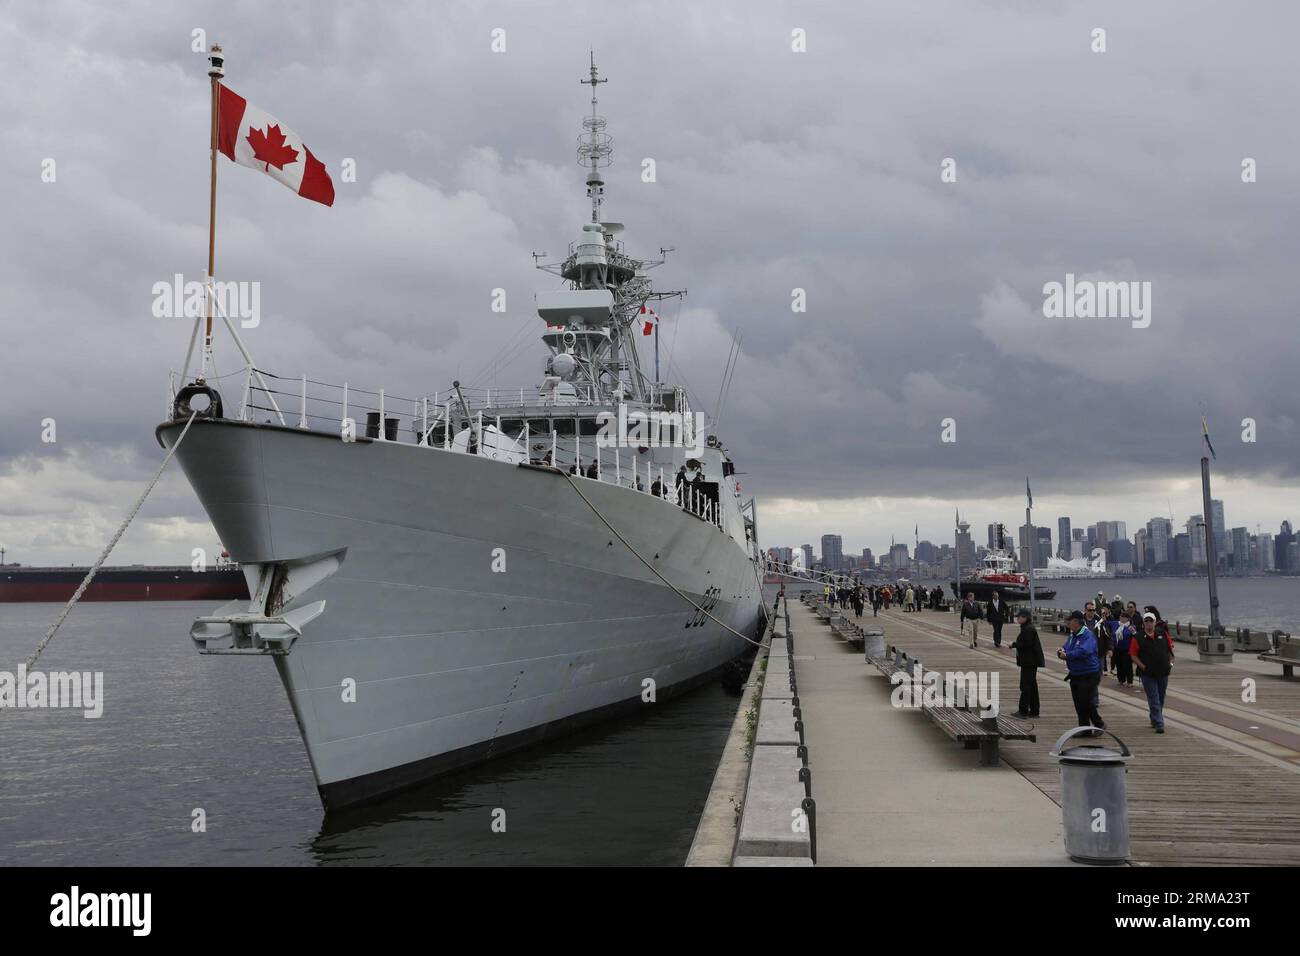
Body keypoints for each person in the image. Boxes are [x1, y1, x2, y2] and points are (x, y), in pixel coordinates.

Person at [1058, 610, 1104, 734]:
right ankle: (1084, 728)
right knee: (1078, 702)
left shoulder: (1087, 635)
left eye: (1070, 621)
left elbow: (1084, 651)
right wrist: (1061, 650)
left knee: (1086, 701)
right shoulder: (1073, 634)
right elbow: (1067, 646)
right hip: (1075, 674)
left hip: (1089, 673)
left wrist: (1067, 655)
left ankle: (1099, 723)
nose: (1068, 623)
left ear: (1076, 622)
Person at [1130, 611, 1174, 733]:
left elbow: (1170, 651)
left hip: (1163, 671)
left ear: (1155, 622)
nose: (1148, 623)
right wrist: (1143, 667)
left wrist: (1170, 664)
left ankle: (1154, 718)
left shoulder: (1163, 634)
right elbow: (1133, 655)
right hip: (1147, 674)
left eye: (1151, 621)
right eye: (1146, 621)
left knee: (1161, 697)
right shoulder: (1137, 637)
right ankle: (1160, 723)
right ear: (1143, 623)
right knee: (1153, 697)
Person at [1010, 607, 1044, 717]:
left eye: (1019, 617)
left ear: (1025, 618)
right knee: (1032, 685)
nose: (1017, 619)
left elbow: (1027, 644)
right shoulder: (1026, 628)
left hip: (1029, 662)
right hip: (1030, 662)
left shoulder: (1028, 629)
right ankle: (1034, 710)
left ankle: (1023, 711)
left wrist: (1014, 645)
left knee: (1025, 686)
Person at [1112, 611, 1136, 685]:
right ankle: (1121, 680)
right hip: (1117, 648)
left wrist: (1134, 632)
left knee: (1127, 665)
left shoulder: (1131, 626)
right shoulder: (1116, 624)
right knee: (1119, 665)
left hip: (1127, 649)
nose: (1122, 618)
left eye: (1124, 617)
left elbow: (1136, 636)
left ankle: (1130, 681)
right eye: (1121, 616)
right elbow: (1105, 622)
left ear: (1127, 618)